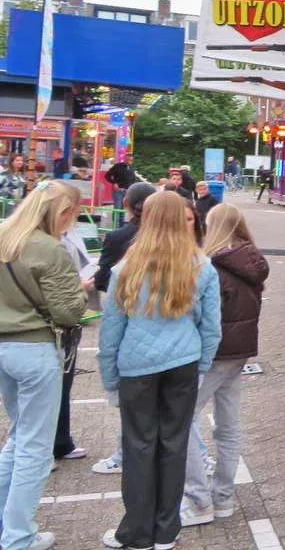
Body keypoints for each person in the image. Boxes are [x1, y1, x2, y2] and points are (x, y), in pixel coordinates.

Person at [98, 191, 221, 550]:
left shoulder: (125, 268)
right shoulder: (201, 266)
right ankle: (166, 529)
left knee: (138, 447)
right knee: (174, 445)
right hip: (183, 363)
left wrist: (110, 379)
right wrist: (201, 365)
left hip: (136, 367)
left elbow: (110, 332)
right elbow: (211, 328)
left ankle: (137, 532)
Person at [0, 181, 89, 550]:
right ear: (61, 212)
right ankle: (18, 537)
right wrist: (80, 291)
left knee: (19, 437)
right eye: (72, 215)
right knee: (35, 448)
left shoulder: (4, 235)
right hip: (34, 349)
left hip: (3, 346)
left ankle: (8, 528)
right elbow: (69, 312)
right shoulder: (49, 248)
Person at [180, 203, 268, 527]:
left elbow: (204, 316)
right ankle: (223, 497)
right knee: (228, 425)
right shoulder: (252, 261)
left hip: (213, 354)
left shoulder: (209, 266)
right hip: (239, 351)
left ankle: (198, 499)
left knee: (181, 421)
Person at [91, 182, 157, 476]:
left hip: (128, 322)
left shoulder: (118, 237)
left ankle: (124, 455)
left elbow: (104, 279)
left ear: (127, 203)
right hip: (166, 329)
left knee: (132, 401)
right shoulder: (173, 238)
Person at [53, 191, 95, 464]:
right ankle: (45, 450)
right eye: (76, 206)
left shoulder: (66, 236)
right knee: (50, 391)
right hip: (51, 329)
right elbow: (58, 297)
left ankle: (60, 442)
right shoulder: (50, 245)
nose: (80, 210)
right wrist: (79, 289)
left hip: (60, 328)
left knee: (61, 387)